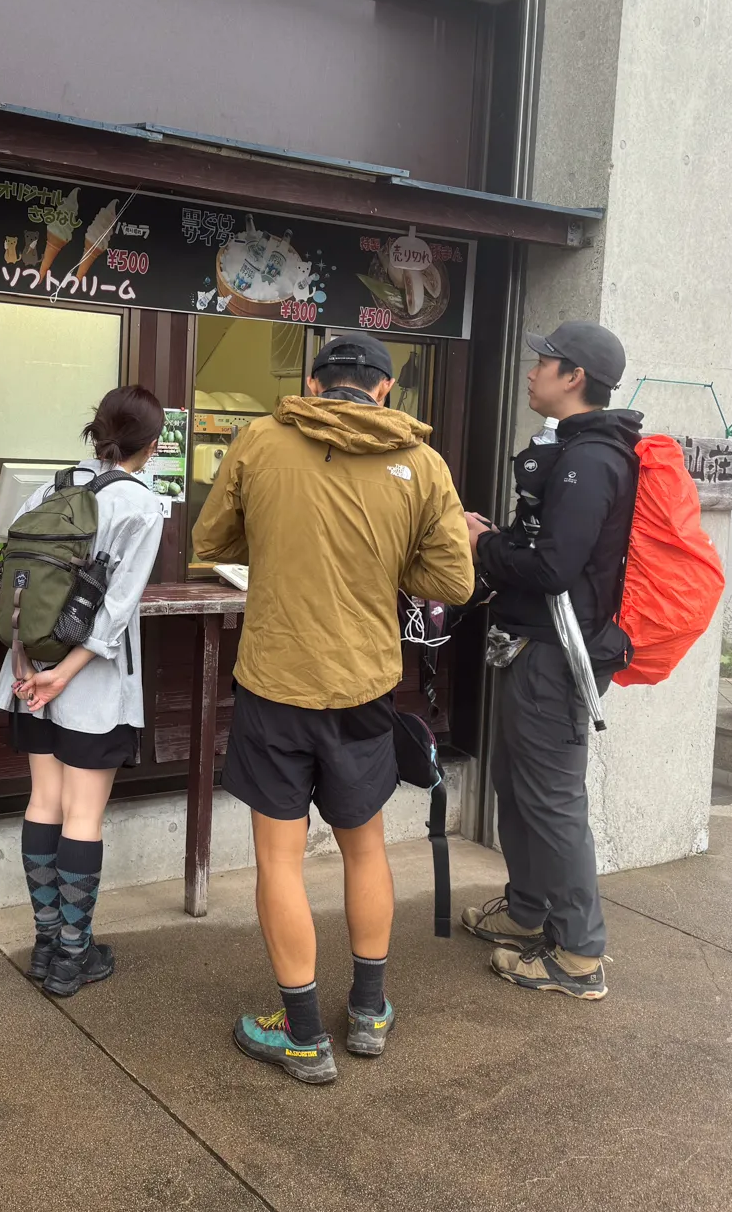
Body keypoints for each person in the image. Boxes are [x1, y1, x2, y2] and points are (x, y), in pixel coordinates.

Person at [193, 331, 476, 1084]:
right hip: (365, 686)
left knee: (278, 860)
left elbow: (211, 538)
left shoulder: (260, 438)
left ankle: (304, 1033)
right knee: (366, 848)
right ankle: (371, 1011)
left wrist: (286, 542)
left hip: (273, 682)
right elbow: (451, 582)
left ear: (313, 386)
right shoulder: (423, 463)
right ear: (384, 390)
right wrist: (386, 561)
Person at [464, 321, 641, 1001]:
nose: (531, 371)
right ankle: (527, 908)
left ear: (574, 377)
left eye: (544, 362)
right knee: (519, 786)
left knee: (553, 802)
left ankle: (578, 955)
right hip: (535, 647)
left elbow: (554, 566)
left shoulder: (590, 460)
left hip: (558, 655)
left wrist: (481, 546)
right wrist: (499, 538)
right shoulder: (573, 451)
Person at [0, 385, 166, 998]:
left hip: (27, 672)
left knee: (44, 800)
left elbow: (20, 583)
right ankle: (73, 954)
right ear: (151, 444)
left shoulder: (54, 487)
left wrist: (33, 672)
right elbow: (116, 611)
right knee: (84, 813)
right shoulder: (142, 506)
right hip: (87, 680)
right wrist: (65, 674)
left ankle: (45, 943)